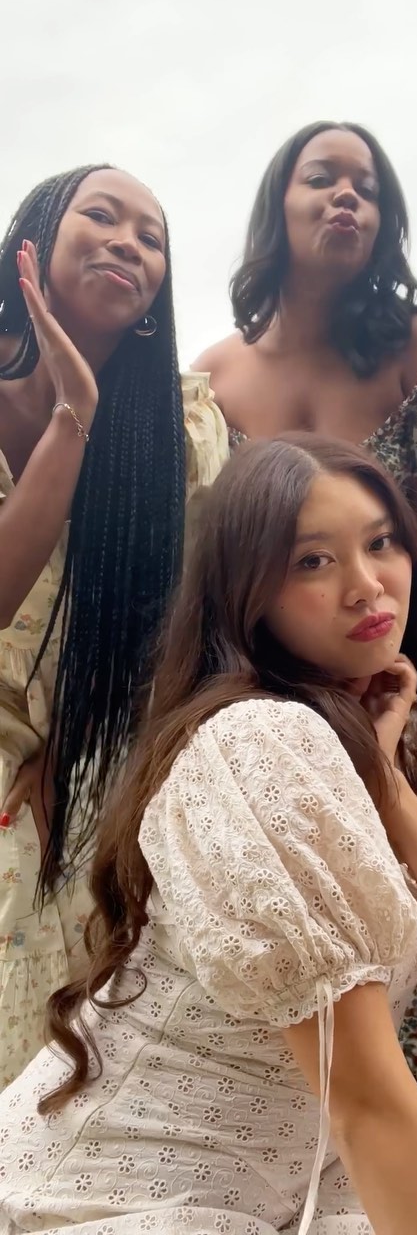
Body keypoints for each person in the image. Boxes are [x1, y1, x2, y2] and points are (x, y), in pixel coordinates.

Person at [0, 434, 417, 1235]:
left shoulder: (402, 741)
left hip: (297, 1170)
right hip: (133, 1188)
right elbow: (367, 1100)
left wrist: (385, 785)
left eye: (382, 542)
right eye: (313, 561)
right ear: (249, 595)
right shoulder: (257, 746)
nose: (367, 584)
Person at [193, 120, 417, 1143]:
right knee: (318, 844)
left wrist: (394, 652)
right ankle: (323, 1055)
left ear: (386, 220)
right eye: (321, 178)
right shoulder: (212, 377)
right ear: (277, 207)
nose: (345, 197)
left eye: (367, 187)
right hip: (280, 658)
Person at [0, 165, 226, 1087]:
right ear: (34, 241)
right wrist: (71, 417)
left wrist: (79, 750)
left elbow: (180, 614)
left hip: (101, 726)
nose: (129, 242)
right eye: (101, 214)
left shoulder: (178, 427)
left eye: (152, 236)